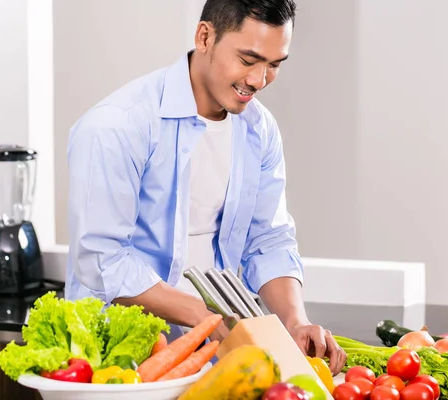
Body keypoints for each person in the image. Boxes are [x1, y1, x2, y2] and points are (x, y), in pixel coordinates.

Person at [65, 0, 347, 374]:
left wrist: (294, 322)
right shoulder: (116, 127)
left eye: (274, 65)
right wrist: (208, 317)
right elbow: (103, 259)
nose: (258, 81)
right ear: (204, 37)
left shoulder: (259, 131)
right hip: (121, 359)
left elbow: (268, 240)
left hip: (220, 353)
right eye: (248, 60)